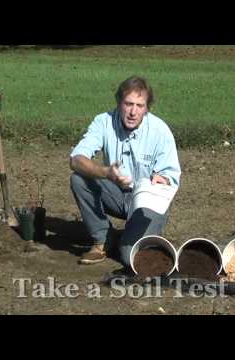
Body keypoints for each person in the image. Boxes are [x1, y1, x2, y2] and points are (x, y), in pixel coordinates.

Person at [69, 76, 181, 268]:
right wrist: (105, 172)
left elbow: (171, 176)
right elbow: (75, 159)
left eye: (140, 105)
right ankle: (103, 238)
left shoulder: (160, 131)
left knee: (130, 256)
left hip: (148, 202)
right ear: (119, 103)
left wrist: (162, 178)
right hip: (117, 193)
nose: (133, 112)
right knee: (79, 178)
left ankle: (136, 235)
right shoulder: (103, 122)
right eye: (128, 104)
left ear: (147, 108)